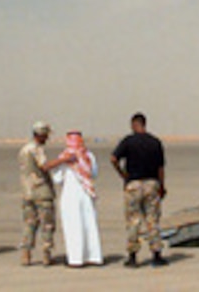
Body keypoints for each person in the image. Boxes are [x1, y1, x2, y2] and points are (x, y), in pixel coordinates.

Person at [111, 112, 167, 267]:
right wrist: (162, 186)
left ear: (133, 125)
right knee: (152, 219)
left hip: (134, 184)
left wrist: (123, 175)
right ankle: (156, 254)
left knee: (133, 221)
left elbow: (113, 158)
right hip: (151, 183)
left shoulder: (128, 142)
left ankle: (133, 256)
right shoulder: (155, 142)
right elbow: (161, 168)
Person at [18, 121, 73, 267]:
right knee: (47, 225)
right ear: (41, 135)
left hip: (27, 192)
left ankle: (26, 253)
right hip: (41, 193)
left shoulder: (24, 149)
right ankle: (46, 255)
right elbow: (44, 166)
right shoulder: (36, 149)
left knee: (29, 224)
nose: (47, 138)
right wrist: (63, 160)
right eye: (46, 135)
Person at [54, 130, 103, 267]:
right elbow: (94, 173)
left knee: (73, 227)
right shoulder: (88, 156)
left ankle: (76, 259)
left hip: (70, 196)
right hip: (86, 194)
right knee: (89, 226)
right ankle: (93, 257)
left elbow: (57, 178)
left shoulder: (65, 156)